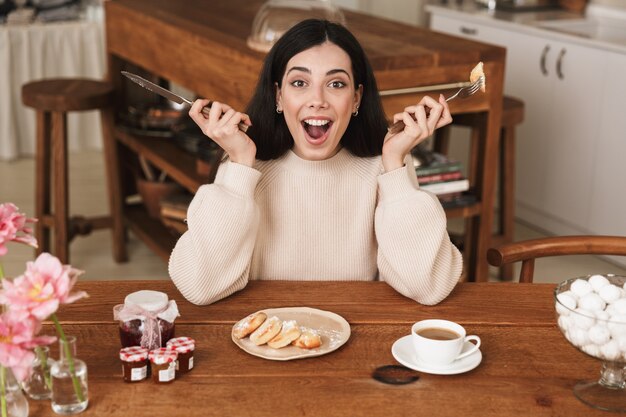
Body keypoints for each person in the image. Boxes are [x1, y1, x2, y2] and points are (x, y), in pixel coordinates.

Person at [168, 19, 463, 306]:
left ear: (357, 98)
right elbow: (200, 287)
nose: (317, 99)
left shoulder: (386, 167)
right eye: (299, 82)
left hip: (356, 339)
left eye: (336, 83)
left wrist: (395, 165)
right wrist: (241, 165)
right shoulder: (244, 166)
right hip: (264, 341)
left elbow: (429, 287)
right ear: (278, 96)